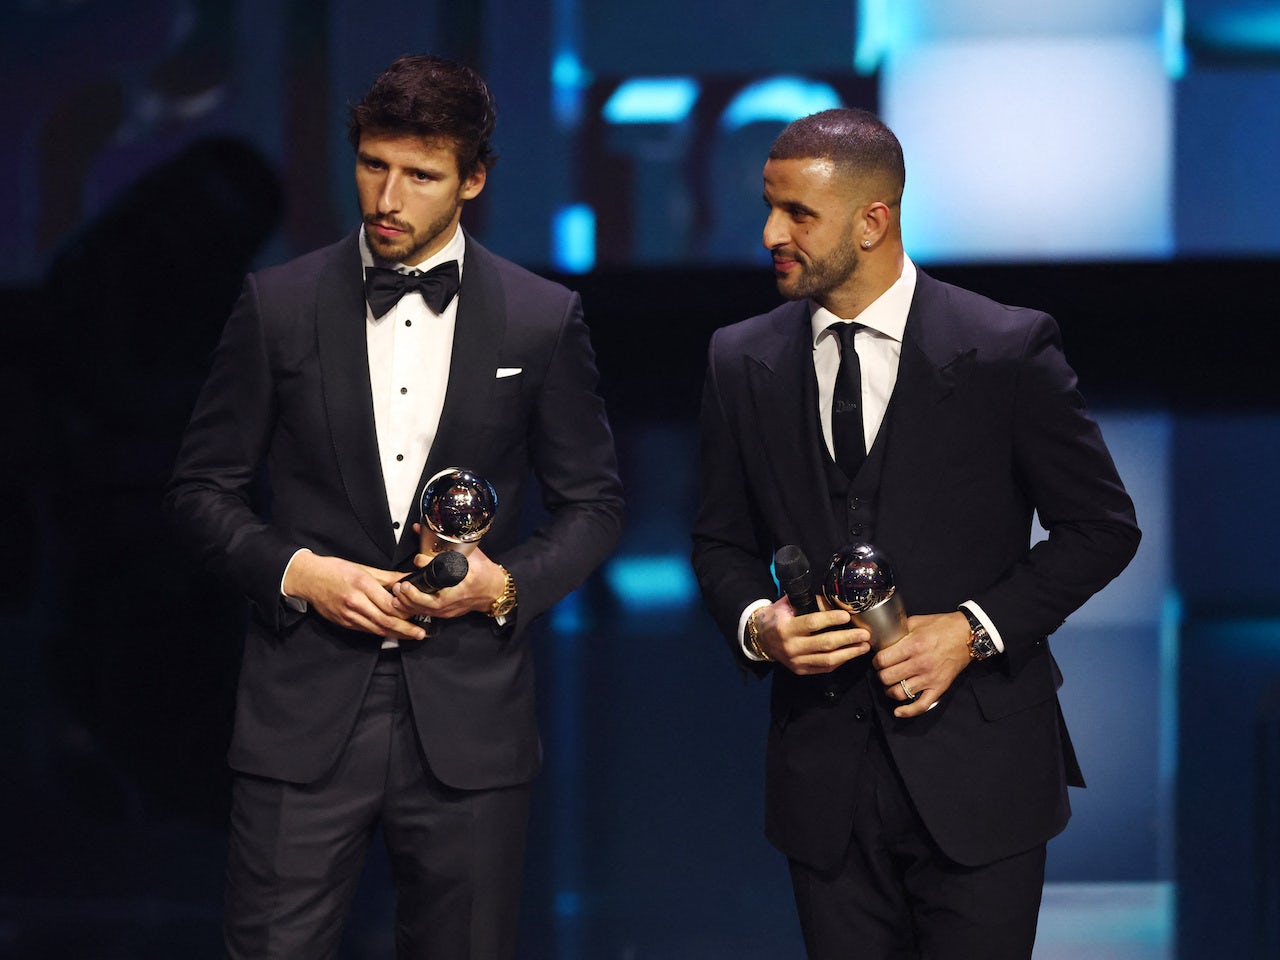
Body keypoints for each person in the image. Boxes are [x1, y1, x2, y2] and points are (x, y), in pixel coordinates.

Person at [164, 54, 624, 959]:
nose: (388, 195)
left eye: (420, 175)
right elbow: (200, 489)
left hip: (468, 721)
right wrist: (299, 572)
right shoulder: (279, 307)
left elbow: (595, 505)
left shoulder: (541, 318)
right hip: (302, 716)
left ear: (474, 180)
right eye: (374, 164)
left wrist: (502, 586)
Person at [690, 108, 1140, 960]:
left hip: (983, 771)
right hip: (822, 780)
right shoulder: (737, 359)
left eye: (797, 214)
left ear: (873, 222)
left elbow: (1101, 529)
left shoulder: (1006, 348)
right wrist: (761, 626)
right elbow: (718, 541)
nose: (769, 233)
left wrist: (971, 630)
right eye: (768, 206)